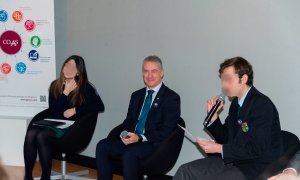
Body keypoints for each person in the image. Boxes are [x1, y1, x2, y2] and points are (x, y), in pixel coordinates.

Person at [174, 57, 283, 180]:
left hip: (254, 166)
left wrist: (219, 148)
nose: (224, 85)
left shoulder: (262, 105)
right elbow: (226, 137)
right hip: (233, 160)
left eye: (228, 79)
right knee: (185, 170)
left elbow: (256, 148)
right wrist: (214, 118)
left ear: (244, 79)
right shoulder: (236, 103)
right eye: (223, 80)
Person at [96, 56, 181, 180]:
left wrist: (140, 138)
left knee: (130, 153)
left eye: (154, 71)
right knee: (102, 145)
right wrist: (125, 135)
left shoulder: (171, 97)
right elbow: (128, 122)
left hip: (153, 144)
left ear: (162, 73)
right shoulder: (136, 95)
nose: (149, 75)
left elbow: (166, 130)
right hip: (133, 139)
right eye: (146, 71)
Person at [23, 55, 105, 180]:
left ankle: (46, 177)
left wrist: (76, 110)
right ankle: (28, 176)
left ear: (78, 71)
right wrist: (65, 92)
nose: (68, 68)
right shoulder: (55, 85)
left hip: (73, 129)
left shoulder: (85, 87)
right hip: (54, 122)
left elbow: (100, 106)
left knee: (41, 135)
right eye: (66, 65)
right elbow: (54, 111)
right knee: (31, 133)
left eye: (72, 66)